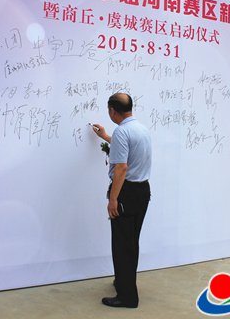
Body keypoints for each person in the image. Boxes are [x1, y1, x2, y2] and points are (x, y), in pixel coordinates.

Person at [92, 93, 152, 309]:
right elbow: (127, 151)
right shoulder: (141, 129)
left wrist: (113, 199)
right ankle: (123, 282)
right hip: (142, 191)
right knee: (130, 241)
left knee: (122, 245)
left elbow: (121, 167)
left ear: (112, 110)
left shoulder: (122, 132)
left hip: (126, 192)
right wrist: (106, 137)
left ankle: (127, 297)